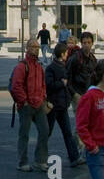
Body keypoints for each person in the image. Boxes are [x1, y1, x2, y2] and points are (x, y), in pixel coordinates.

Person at [12, 38, 51, 171]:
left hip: (39, 104)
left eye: (37, 47)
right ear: (27, 48)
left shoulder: (39, 67)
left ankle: (40, 160)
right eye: (33, 47)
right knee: (24, 134)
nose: (36, 49)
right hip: (26, 106)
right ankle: (22, 162)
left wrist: (43, 98)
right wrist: (24, 101)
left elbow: (43, 84)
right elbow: (16, 86)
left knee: (45, 131)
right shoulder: (22, 66)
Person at [45, 42, 85, 168]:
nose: (67, 55)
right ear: (62, 54)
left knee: (67, 132)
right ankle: (41, 158)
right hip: (53, 106)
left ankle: (74, 158)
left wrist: (69, 97)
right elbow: (49, 85)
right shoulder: (51, 68)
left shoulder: (63, 67)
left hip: (62, 106)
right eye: (66, 53)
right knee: (47, 133)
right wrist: (61, 83)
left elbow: (67, 85)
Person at [66, 31, 97, 101]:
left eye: (89, 42)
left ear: (92, 43)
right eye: (84, 43)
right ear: (81, 43)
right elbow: (67, 76)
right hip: (78, 93)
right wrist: (74, 94)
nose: (87, 45)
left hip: (90, 93)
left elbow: (95, 76)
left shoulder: (93, 59)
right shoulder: (75, 58)